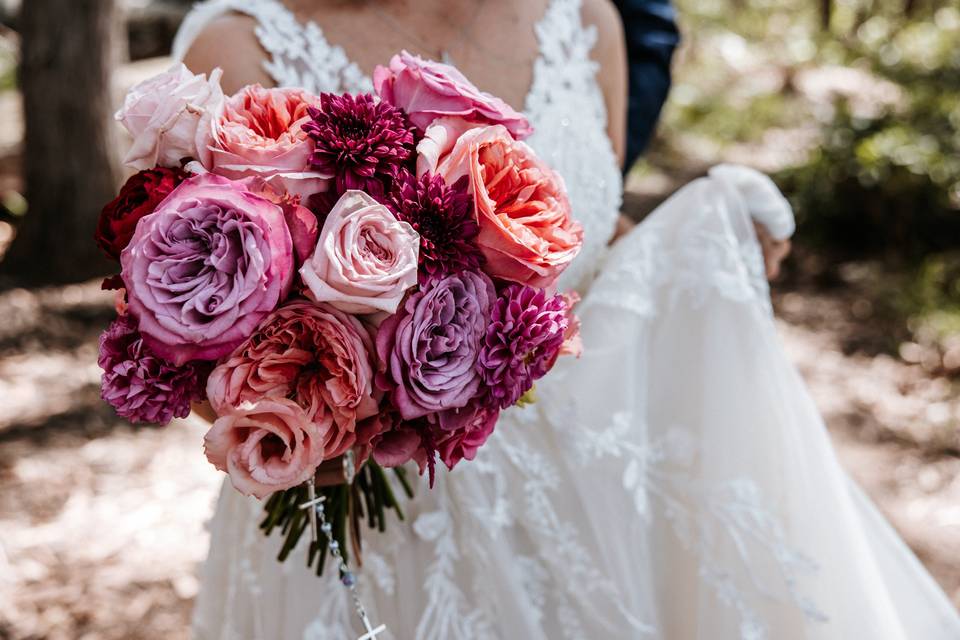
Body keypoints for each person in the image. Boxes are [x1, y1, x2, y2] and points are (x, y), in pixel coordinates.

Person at [174, 1, 960, 638]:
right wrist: (316, 422)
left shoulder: (589, 21)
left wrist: (701, 254)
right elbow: (195, 326)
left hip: (597, 498)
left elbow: (591, 245)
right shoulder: (239, 44)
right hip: (379, 517)